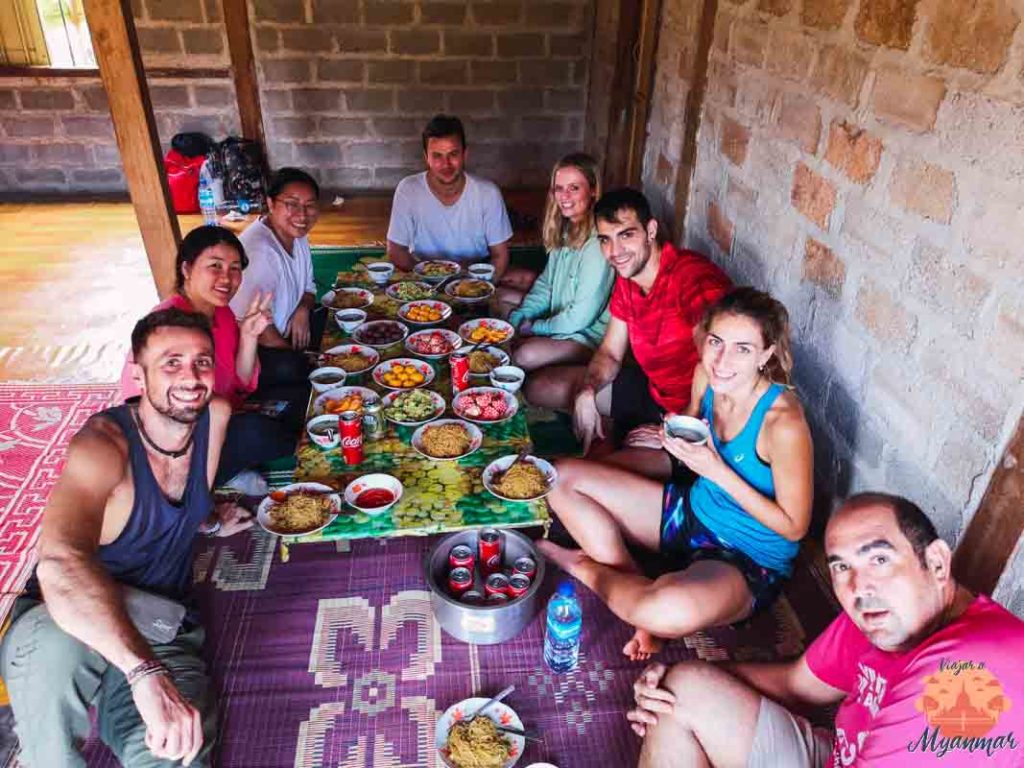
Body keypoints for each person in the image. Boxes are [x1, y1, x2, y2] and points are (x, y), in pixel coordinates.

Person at [1, 309, 253, 767]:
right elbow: (58, 564)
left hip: (158, 624)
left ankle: (118, 697)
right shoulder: (103, 445)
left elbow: (187, 507)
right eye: (171, 362)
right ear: (138, 375)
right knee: (56, 683)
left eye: (201, 362)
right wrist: (144, 673)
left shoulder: (213, 416)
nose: (190, 377)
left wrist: (212, 522)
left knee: (180, 753)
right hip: (66, 620)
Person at [626, 493, 1024, 768]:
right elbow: (798, 684)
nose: (858, 588)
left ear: (937, 564)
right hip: (842, 756)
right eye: (841, 567)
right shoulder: (885, 617)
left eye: (879, 559)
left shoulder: (970, 671)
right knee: (677, 692)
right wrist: (672, 678)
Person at [540, 288, 814, 661]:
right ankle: (635, 584)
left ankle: (585, 567)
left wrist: (716, 470)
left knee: (663, 610)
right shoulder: (707, 376)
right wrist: (668, 432)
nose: (722, 360)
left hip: (747, 557)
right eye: (716, 341)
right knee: (556, 476)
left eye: (742, 349)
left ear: (766, 354)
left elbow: (794, 527)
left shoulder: (783, 422)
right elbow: (690, 419)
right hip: (693, 512)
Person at [529, 187, 732, 480]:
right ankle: (612, 432)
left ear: (650, 230)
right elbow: (610, 353)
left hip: (696, 420)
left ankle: (622, 449)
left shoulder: (692, 280)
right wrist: (588, 390)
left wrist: (671, 431)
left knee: (586, 478)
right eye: (605, 240)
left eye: (626, 235)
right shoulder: (628, 279)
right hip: (653, 394)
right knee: (541, 387)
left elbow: (722, 376)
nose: (615, 252)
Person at [120, 225, 298, 486]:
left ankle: (236, 462)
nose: (227, 278)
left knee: (295, 380)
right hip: (180, 442)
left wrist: (248, 336)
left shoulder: (221, 312)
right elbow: (148, 414)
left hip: (224, 410)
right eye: (215, 266)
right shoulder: (166, 327)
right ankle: (208, 483)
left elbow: (240, 380)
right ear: (186, 269)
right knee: (260, 433)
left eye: (235, 268)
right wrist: (223, 421)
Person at [506, 153, 614, 381]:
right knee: (502, 305)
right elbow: (547, 284)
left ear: (593, 190)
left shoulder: (597, 244)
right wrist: (522, 314)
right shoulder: (566, 229)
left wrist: (535, 327)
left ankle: (558, 372)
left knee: (523, 355)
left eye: (574, 188)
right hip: (559, 315)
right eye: (558, 188)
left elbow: (580, 318)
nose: (564, 196)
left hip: (584, 335)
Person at [386, 114, 523, 287]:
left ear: (465, 154)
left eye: (453, 154)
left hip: (474, 277)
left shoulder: (488, 193)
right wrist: (431, 279)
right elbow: (396, 250)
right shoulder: (408, 189)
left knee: (527, 280)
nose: (446, 164)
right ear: (426, 157)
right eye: (437, 156)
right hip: (424, 279)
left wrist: (477, 289)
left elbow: (500, 255)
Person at [229, 167, 325, 393]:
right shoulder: (260, 251)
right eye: (291, 204)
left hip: (289, 325)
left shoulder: (297, 234)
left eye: (310, 205)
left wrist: (302, 309)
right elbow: (261, 332)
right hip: (256, 346)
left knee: (334, 316)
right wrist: (301, 357)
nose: (302, 215)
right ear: (271, 204)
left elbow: (310, 286)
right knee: (294, 368)